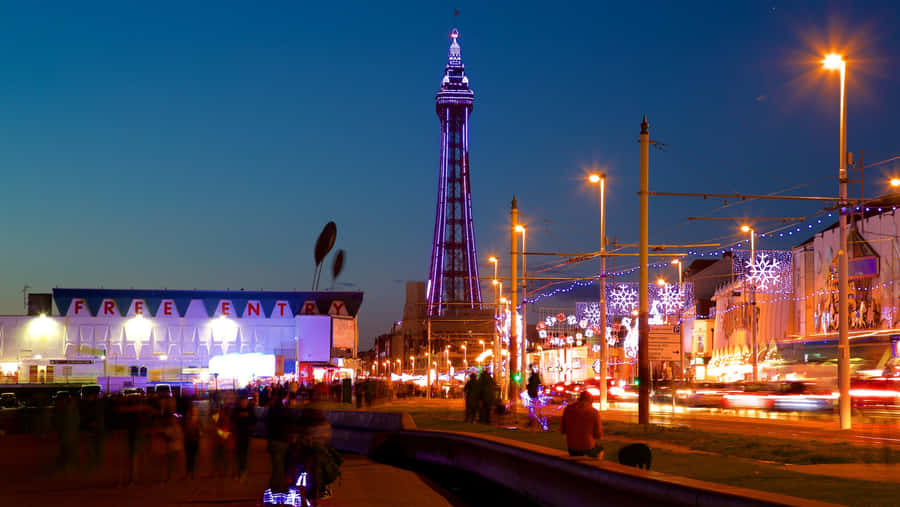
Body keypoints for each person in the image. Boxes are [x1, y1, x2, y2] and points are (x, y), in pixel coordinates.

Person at [560, 391, 603, 458]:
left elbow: (563, 430)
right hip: (587, 447)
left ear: (579, 399)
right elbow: (598, 435)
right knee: (600, 449)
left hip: (571, 448)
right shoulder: (594, 412)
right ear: (591, 401)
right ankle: (595, 465)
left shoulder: (567, 409)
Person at [232, 396, 256, 481]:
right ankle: (239, 472)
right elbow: (232, 420)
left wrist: (251, 429)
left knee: (245, 455)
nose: (243, 402)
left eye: (245, 401)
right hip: (238, 435)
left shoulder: (250, 410)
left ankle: (243, 472)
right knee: (238, 455)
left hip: (246, 436)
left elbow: (254, 420)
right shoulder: (236, 410)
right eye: (242, 401)